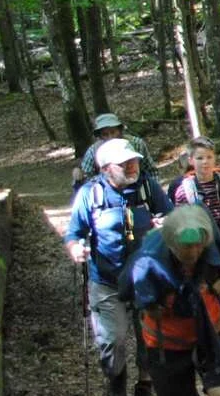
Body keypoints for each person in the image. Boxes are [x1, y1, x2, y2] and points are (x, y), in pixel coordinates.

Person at [67, 138, 177, 396]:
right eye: (124, 163)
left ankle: (145, 384)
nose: (132, 166)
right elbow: (74, 232)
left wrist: (166, 226)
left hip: (145, 279)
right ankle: (116, 386)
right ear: (106, 169)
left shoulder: (148, 187)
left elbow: (171, 215)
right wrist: (75, 249)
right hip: (106, 281)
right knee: (112, 340)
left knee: (149, 337)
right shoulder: (90, 194)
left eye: (134, 161)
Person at [124, 205, 220, 396]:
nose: (194, 252)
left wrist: (218, 283)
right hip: (168, 346)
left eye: (198, 247)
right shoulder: (148, 263)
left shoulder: (209, 244)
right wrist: (155, 303)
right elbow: (140, 299)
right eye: (187, 248)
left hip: (212, 334)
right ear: (173, 245)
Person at [171, 137, 220, 238]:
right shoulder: (184, 191)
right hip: (201, 239)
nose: (205, 162)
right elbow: (182, 222)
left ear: (215, 158)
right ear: (191, 161)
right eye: (200, 158)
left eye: (209, 157)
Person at [79, 113, 156, 188]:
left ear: (120, 130)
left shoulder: (136, 144)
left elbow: (150, 169)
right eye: (105, 134)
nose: (110, 137)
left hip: (138, 186)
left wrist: (154, 189)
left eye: (113, 132)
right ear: (100, 137)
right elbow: (86, 177)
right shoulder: (94, 151)